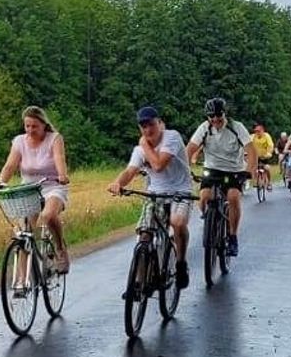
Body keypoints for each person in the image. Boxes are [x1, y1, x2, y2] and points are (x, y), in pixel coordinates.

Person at [107, 106, 192, 290]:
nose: (147, 130)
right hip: (155, 193)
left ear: (160, 123)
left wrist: (145, 145)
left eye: (151, 125)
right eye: (143, 127)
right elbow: (130, 171)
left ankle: (181, 262)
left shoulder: (172, 137)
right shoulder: (140, 149)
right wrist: (118, 183)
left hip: (180, 191)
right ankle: (139, 282)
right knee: (144, 235)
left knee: (177, 223)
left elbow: (159, 165)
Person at [0, 105, 71, 279]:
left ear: (44, 125)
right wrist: (1, 181)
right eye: (27, 126)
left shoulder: (54, 139)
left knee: (48, 216)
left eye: (34, 126)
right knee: (25, 233)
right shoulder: (19, 142)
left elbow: (59, 158)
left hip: (52, 185)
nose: (30, 130)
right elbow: (10, 165)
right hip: (29, 190)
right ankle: (22, 281)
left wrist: (62, 174)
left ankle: (60, 248)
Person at [186, 97, 257, 257]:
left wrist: (249, 171)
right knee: (203, 197)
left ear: (224, 114)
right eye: (211, 116)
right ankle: (210, 219)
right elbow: (190, 148)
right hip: (212, 169)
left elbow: (252, 151)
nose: (215, 119)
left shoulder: (236, 127)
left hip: (233, 170)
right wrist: (184, 169)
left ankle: (232, 237)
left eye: (219, 115)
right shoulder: (204, 128)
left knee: (233, 197)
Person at [250, 123, 275, 193]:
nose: (257, 133)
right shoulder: (253, 137)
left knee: (266, 168)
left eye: (259, 131)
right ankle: (256, 181)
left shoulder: (267, 136)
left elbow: (270, 145)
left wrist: (269, 153)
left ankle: (269, 183)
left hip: (265, 155)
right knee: (253, 167)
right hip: (256, 156)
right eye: (256, 131)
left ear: (262, 130)